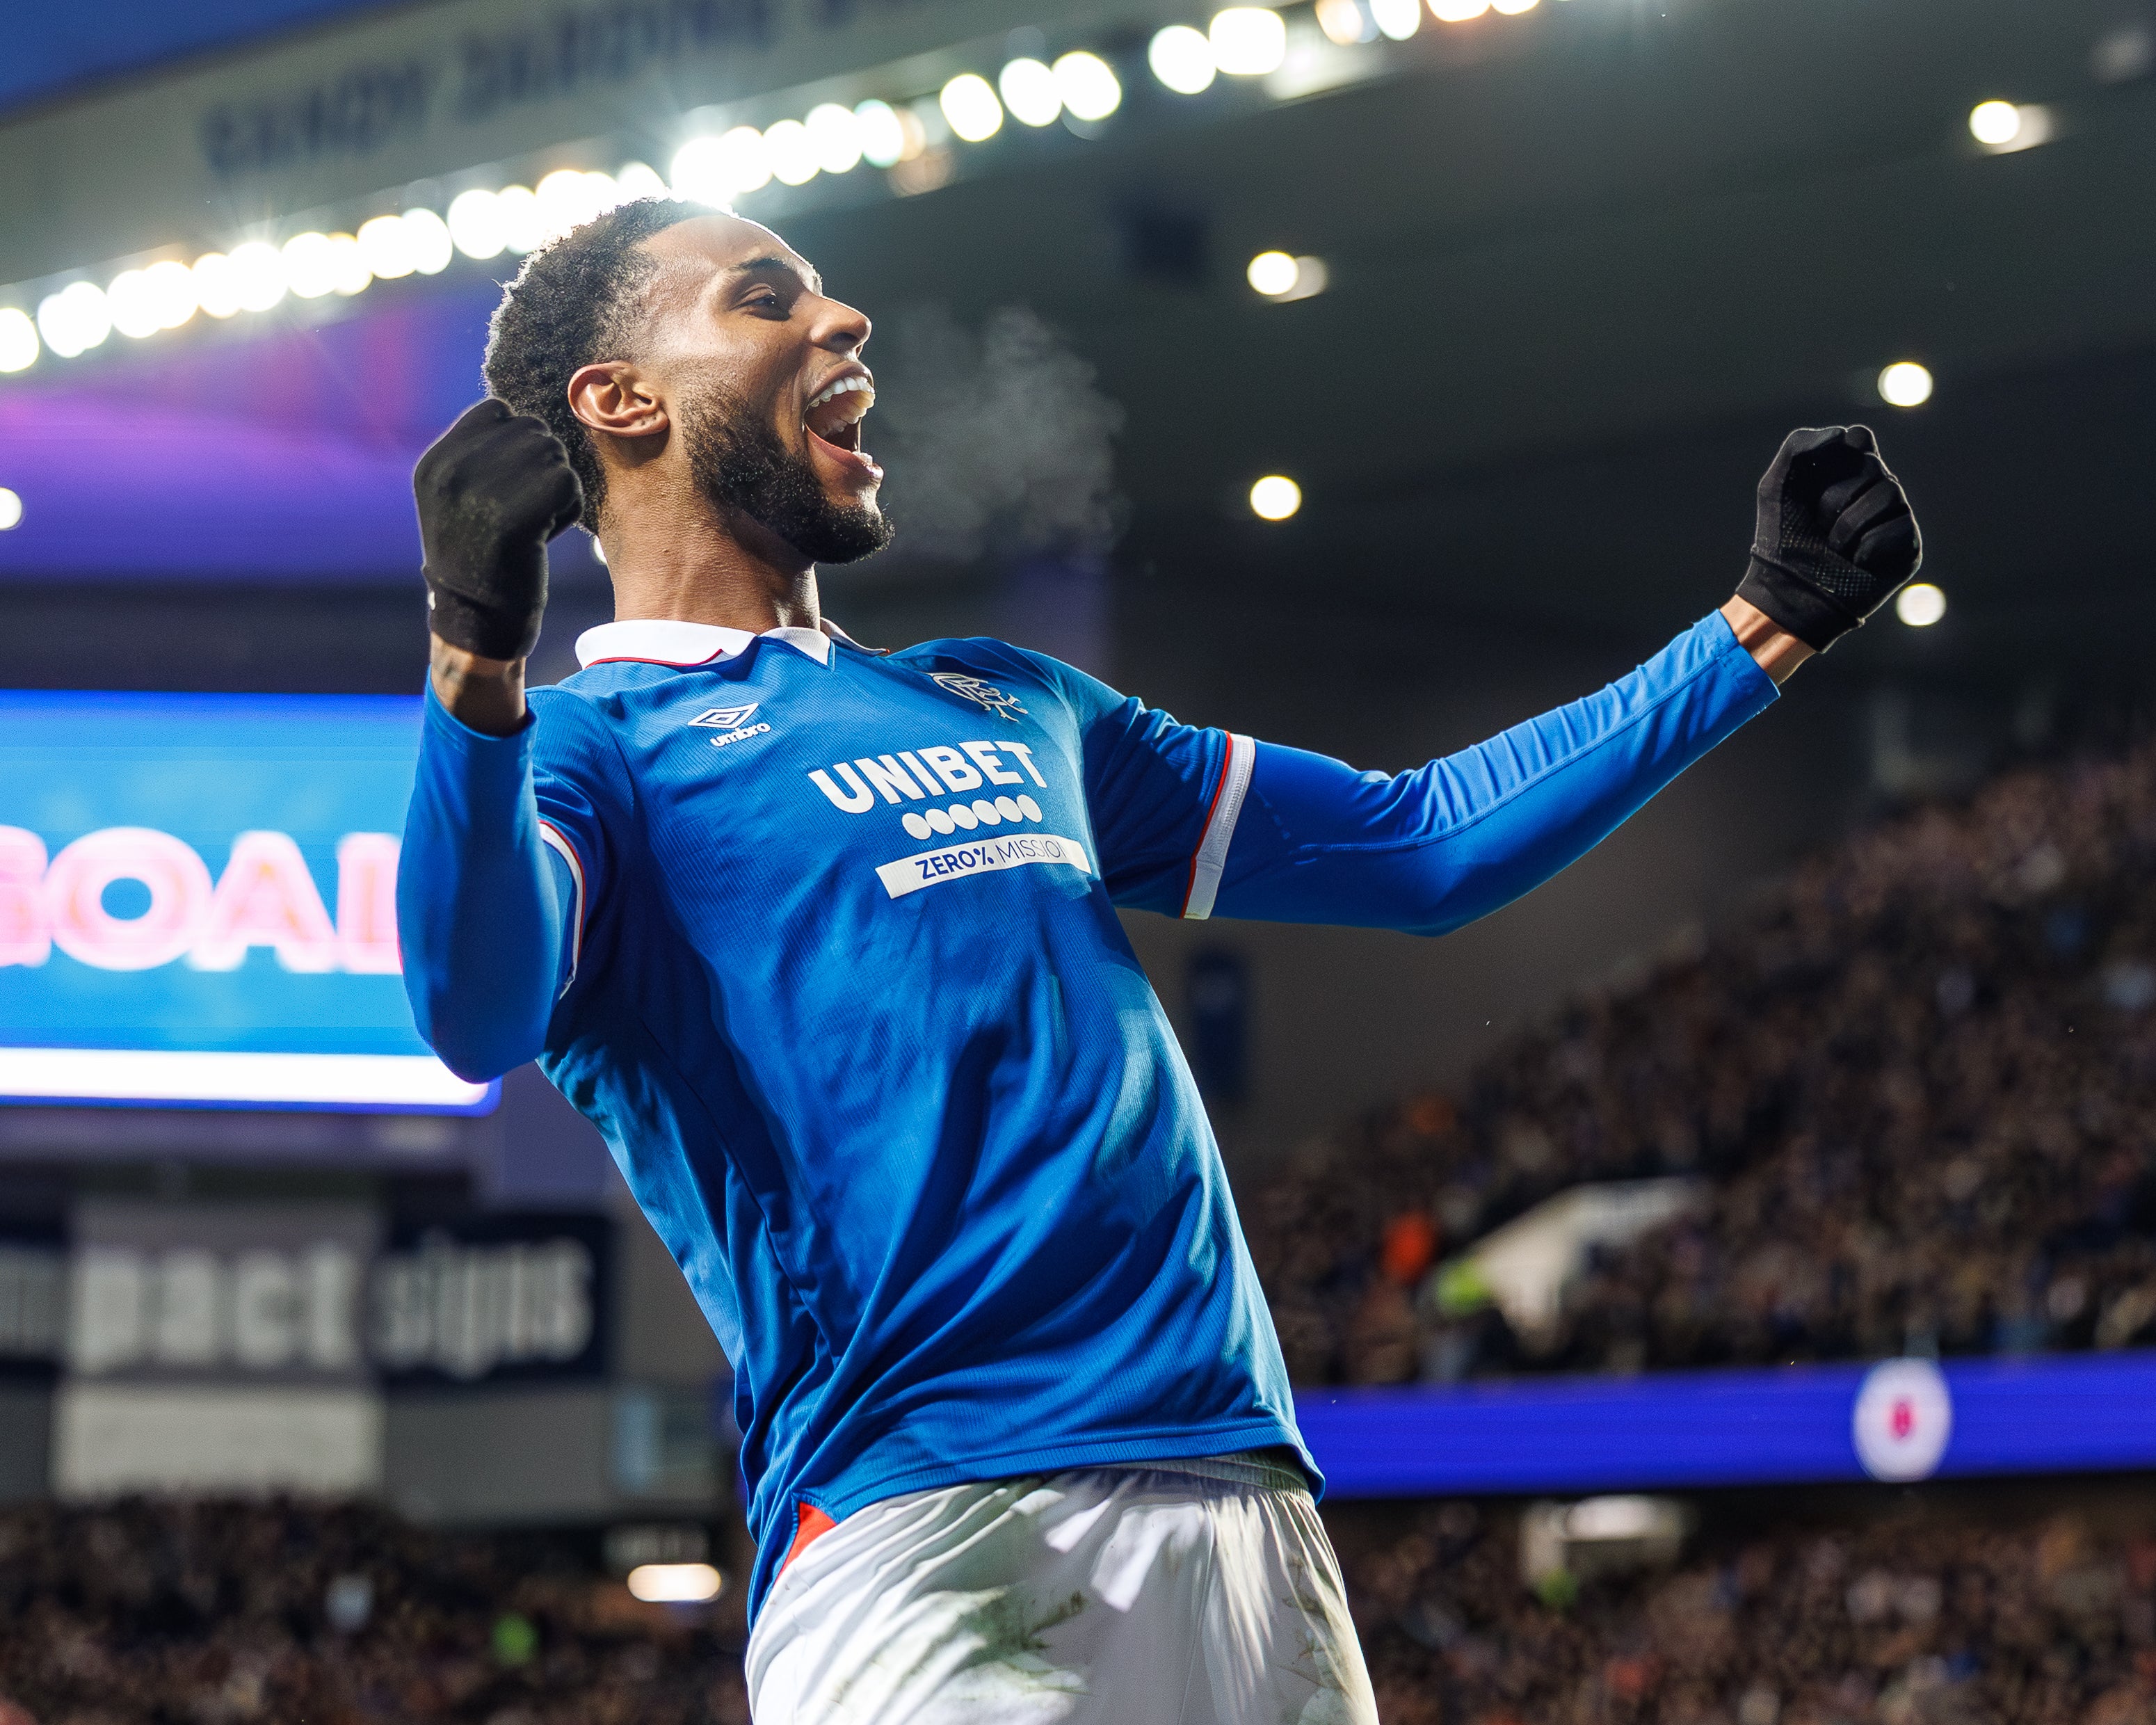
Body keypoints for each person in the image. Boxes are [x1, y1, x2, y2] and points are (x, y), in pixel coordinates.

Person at [396, 195, 1921, 1722]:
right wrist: (474, 668)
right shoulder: (587, 753)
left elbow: (1414, 849)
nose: (841, 323)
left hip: (1241, 1505)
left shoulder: (1006, 700)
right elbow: (473, 1009)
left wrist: (1758, 626)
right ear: (620, 399)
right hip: (929, 1528)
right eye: (763, 297)